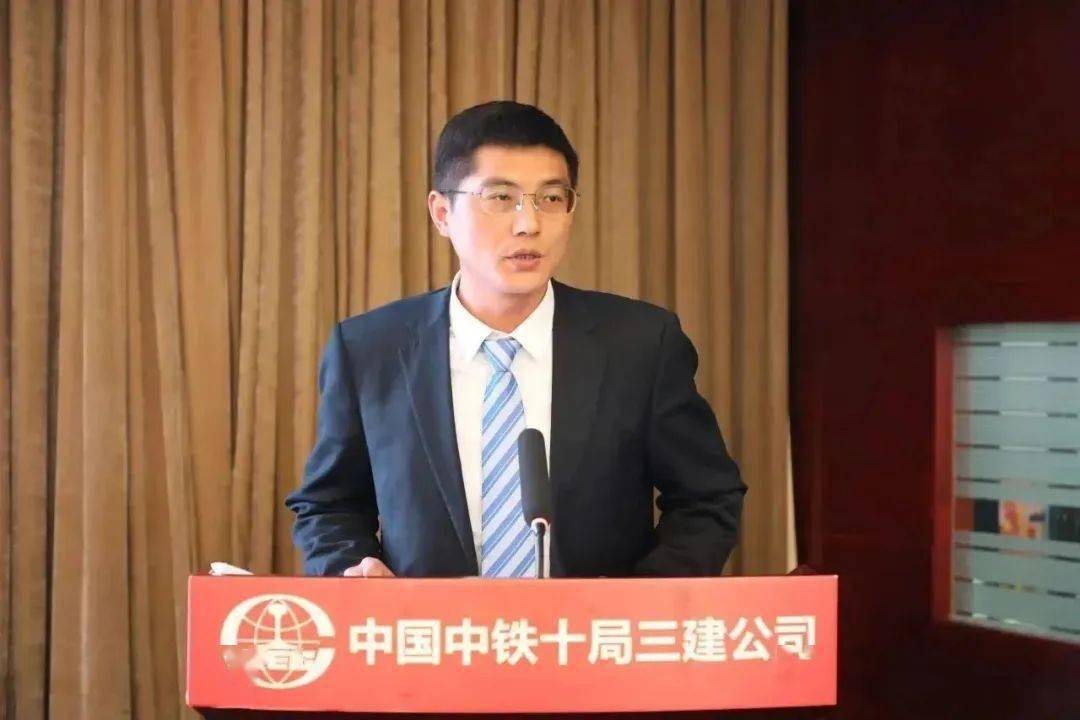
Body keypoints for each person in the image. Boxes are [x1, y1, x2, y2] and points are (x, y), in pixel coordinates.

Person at [286, 101, 745, 578]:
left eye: (551, 198)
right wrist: (353, 576)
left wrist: (642, 601)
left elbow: (707, 498)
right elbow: (330, 505)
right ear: (442, 213)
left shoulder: (640, 344)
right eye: (501, 198)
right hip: (424, 625)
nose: (529, 224)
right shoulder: (371, 350)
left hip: (595, 625)